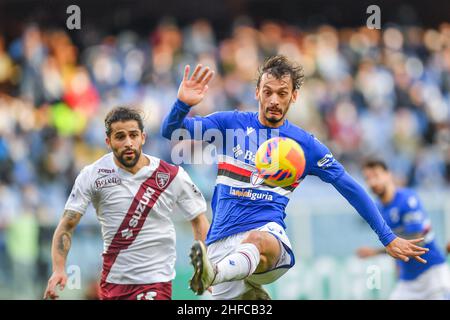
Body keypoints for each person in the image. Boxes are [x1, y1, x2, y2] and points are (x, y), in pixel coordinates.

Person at [161, 55, 429, 300]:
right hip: (220, 245)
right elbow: (172, 131)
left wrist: (387, 237)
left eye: (282, 93)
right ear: (257, 93)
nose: (274, 100)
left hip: (267, 238)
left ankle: (214, 273)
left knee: (257, 239)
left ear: (294, 97)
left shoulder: (305, 145)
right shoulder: (229, 124)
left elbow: (349, 187)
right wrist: (182, 104)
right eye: (268, 92)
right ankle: (235, 283)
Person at [44, 107, 210, 300]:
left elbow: (199, 220)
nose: (128, 143)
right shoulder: (92, 175)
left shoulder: (172, 175)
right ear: (108, 141)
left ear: (143, 137)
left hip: (156, 281)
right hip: (113, 284)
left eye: (133, 135)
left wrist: (205, 266)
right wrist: (58, 269)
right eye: (120, 137)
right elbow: (67, 225)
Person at [356, 159, 450, 299]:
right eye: (367, 178)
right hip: (408, 281)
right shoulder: (378, 210)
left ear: (388, 174)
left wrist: (375, 252)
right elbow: (395, 243)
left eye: (376, 175)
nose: (372, 182)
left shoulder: (408, 199)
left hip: (431, 274)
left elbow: (416, 241)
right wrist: (397, 269)